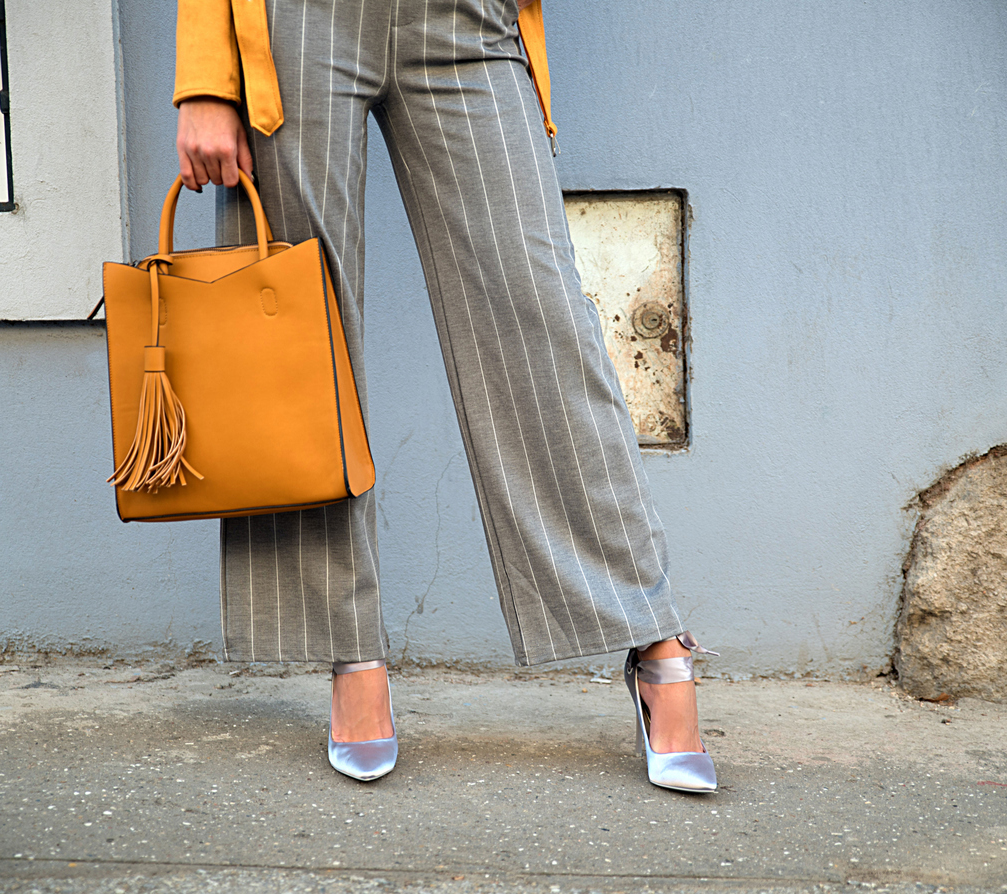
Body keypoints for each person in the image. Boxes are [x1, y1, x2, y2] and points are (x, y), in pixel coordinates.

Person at [173, 0, 719, 792]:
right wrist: (204, 78)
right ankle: (350, 650)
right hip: (298, 22)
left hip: (465, 19)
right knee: (299, 341)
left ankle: (652, 632)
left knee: (538, 317)